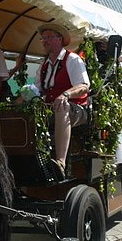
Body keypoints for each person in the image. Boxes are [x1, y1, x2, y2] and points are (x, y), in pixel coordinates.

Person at [34, 22, 90, 175]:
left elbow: (84, 86)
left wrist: (66, 95)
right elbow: (36, 90)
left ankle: (60, 162)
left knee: (61, 107)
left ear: (59, 39)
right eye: (43, 38)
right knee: (27, 115)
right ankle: (34, 160)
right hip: (51, 109)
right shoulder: (44, 65)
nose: (45, 41)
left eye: (49, 37)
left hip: (77, 110)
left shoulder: (72, 59)